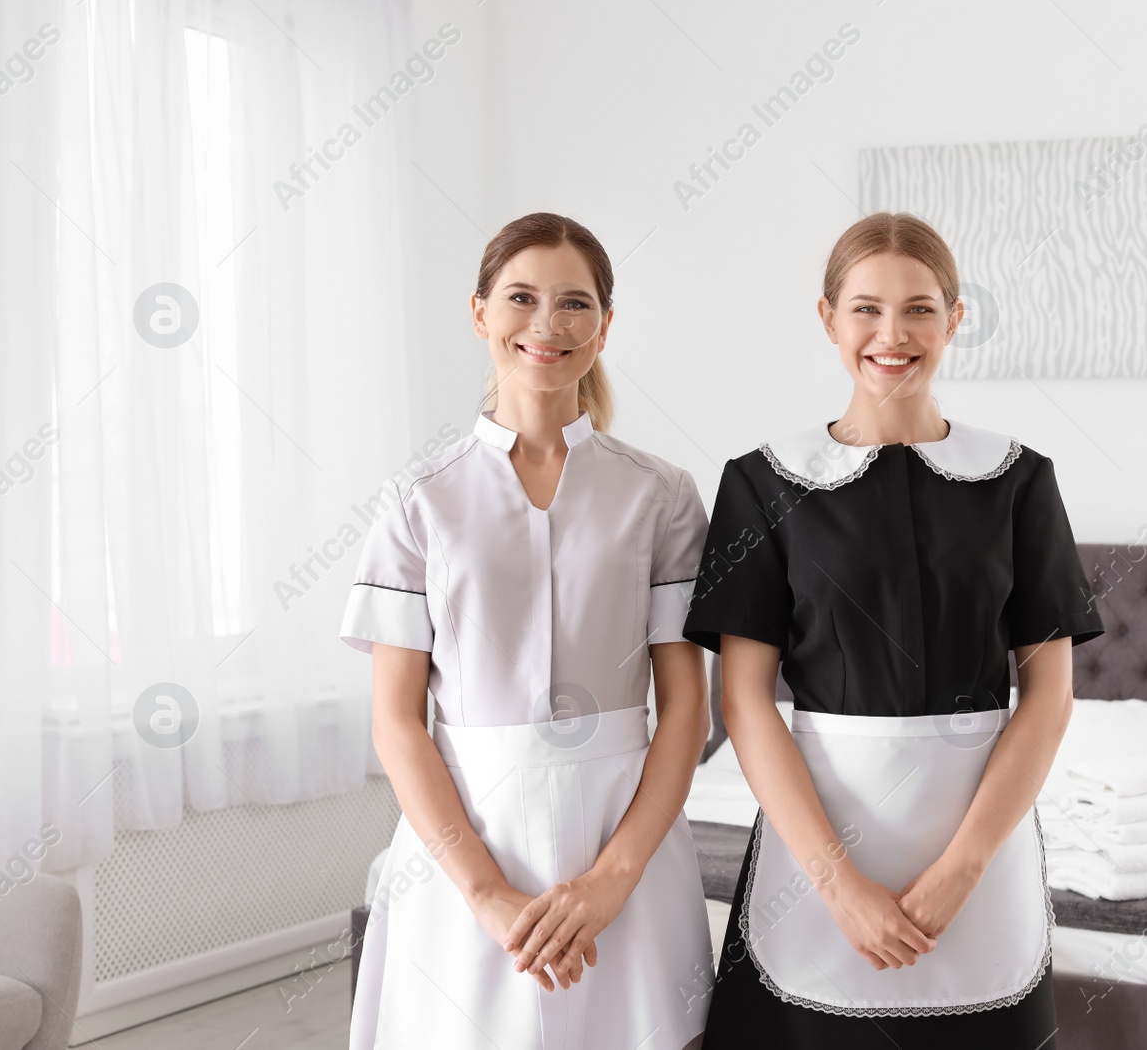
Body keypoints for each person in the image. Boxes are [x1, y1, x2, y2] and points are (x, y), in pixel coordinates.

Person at [684, 212, 1105, 1047]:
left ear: (955, 317)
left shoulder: (1018, 481)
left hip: (979, 853)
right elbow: (745, 701)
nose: (892, 334)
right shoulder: (763, 485)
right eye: (866, 308)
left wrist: (963, 869)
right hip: (814, 857)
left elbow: (1048, 695)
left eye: (919, 309)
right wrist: (838, 885)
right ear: (829, 319)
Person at [343, 212, 714, 1050]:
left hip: (628, 839)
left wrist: (614, 880)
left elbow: (687, 711)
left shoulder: (662, 495)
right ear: (479, 313)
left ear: (606, 325)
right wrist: (485, 892)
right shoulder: (419, 500)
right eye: (521, 298)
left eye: (575, 303)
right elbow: (397, 721)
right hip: (465, 845)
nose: (548, 324)